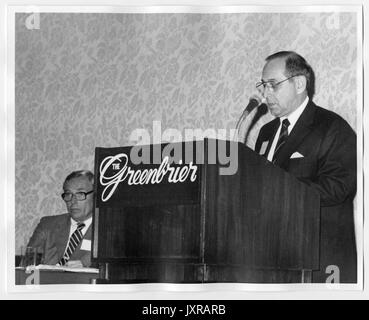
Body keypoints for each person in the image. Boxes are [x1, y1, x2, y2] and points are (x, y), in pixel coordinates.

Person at [254, 51, 357, 283]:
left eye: (273, 85)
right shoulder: (266, 133)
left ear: (299, 83)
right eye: (263, 86)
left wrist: (279, 188)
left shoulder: (332, 128)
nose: (266, 94)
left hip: (320, 265)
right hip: (272, 259)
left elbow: (339, 188)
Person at [27, 170, 94, 268]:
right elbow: (29, 266)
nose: (73, 201)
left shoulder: (108, 230)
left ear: (96, 196)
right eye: (68, 194)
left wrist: (84, 262)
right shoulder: (47, 225)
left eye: (80, 194)